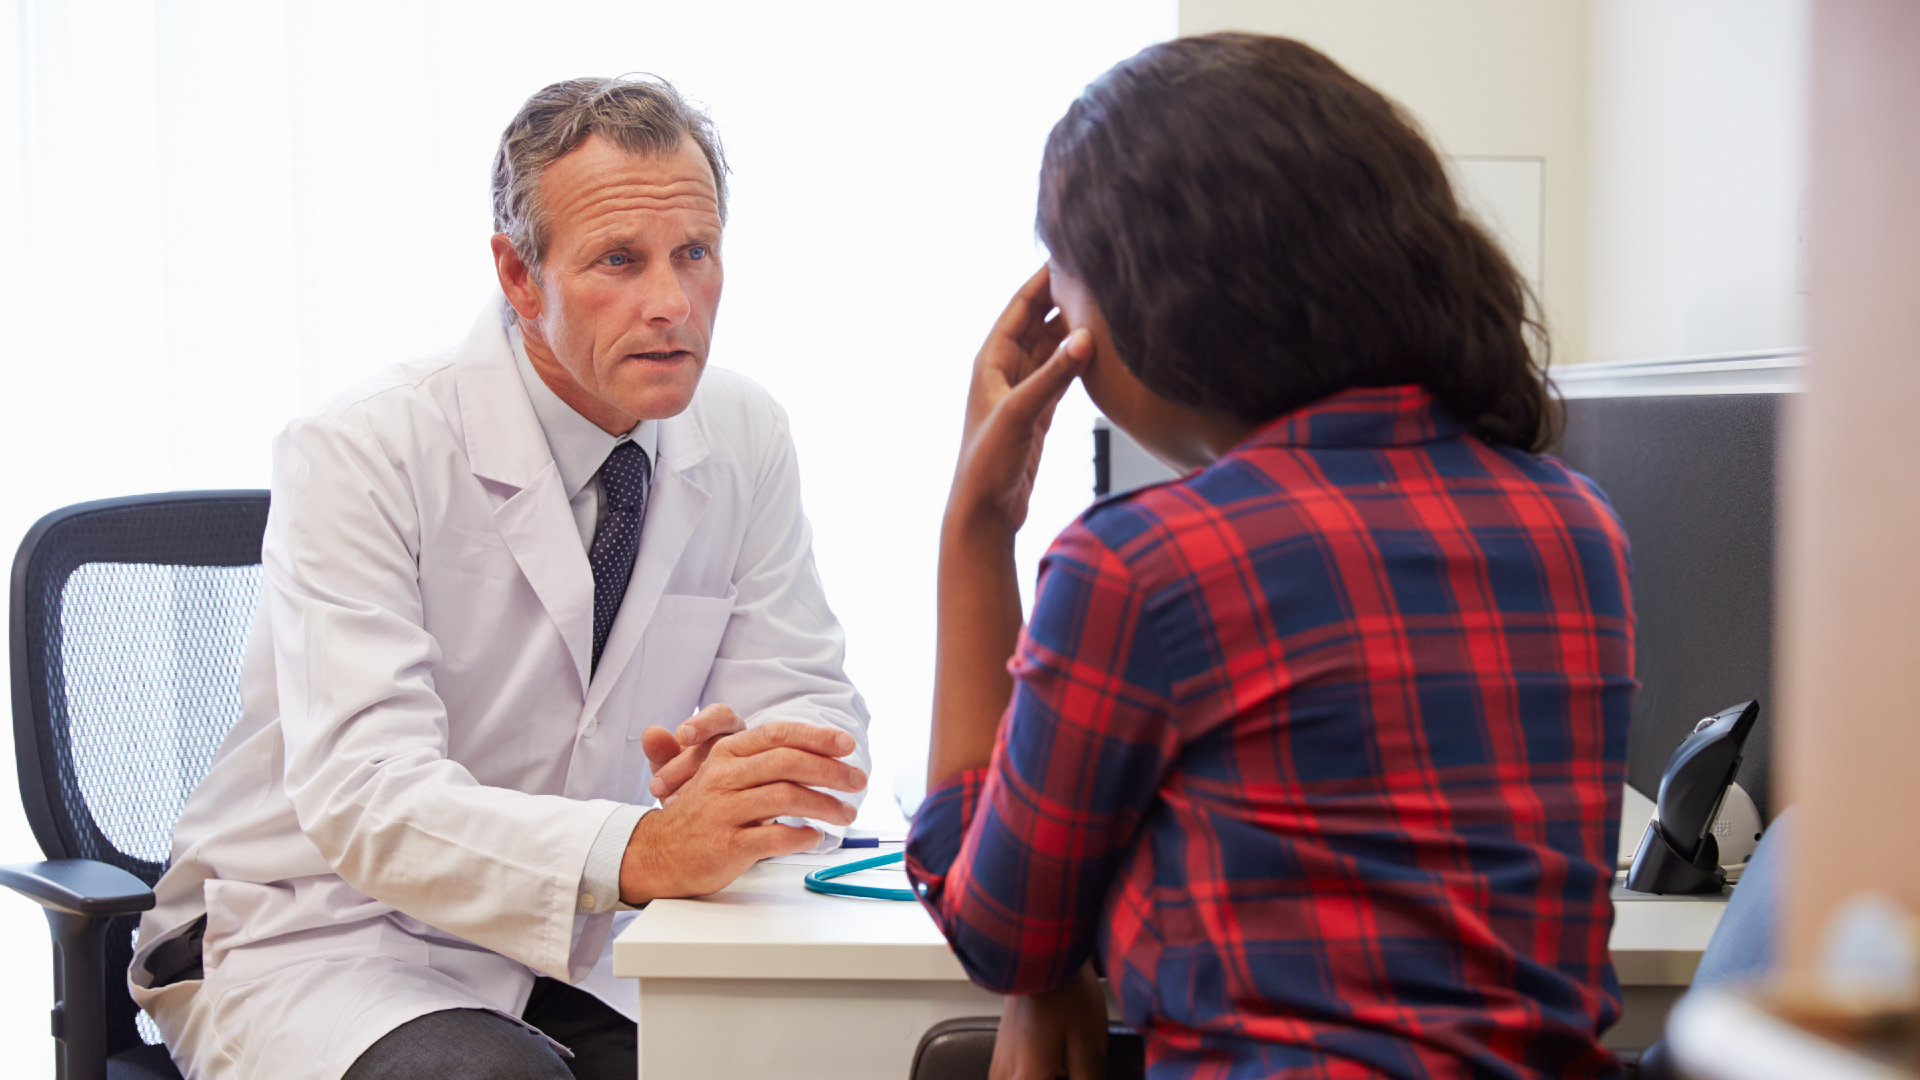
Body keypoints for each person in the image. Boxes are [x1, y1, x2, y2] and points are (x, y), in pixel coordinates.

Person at [909, 34, 1634, 1080]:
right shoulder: (1577, 526)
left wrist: (974, 528)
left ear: (1147, 300)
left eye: (1065, 280)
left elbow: (1001, 929)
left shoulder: (1149, 564)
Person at [129, 75, 872, 1080]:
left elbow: (813, 707)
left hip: (589, 947)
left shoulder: (743, 432)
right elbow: (367, 797)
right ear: (519, 276)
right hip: (327, 938)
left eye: (694, 253)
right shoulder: (363, 448)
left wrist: (749, 775)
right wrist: (643, 847)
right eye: (620, 259)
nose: (672, 302)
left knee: (801, 1059)